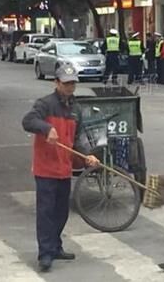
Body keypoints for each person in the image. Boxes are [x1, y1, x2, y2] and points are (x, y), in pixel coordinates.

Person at [22, 64, 100, 272]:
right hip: (46, 168)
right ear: (56, 83)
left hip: (64, 168)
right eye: (66, 83)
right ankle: (45, 253)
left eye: (72, 83)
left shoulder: (75, 109)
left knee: (61, 212)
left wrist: (88, 155)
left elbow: (78, 138)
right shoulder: (45, 104)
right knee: (46, 212)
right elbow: (28, 121)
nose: (70, 87)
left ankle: (55, 246)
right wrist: (47, 128)